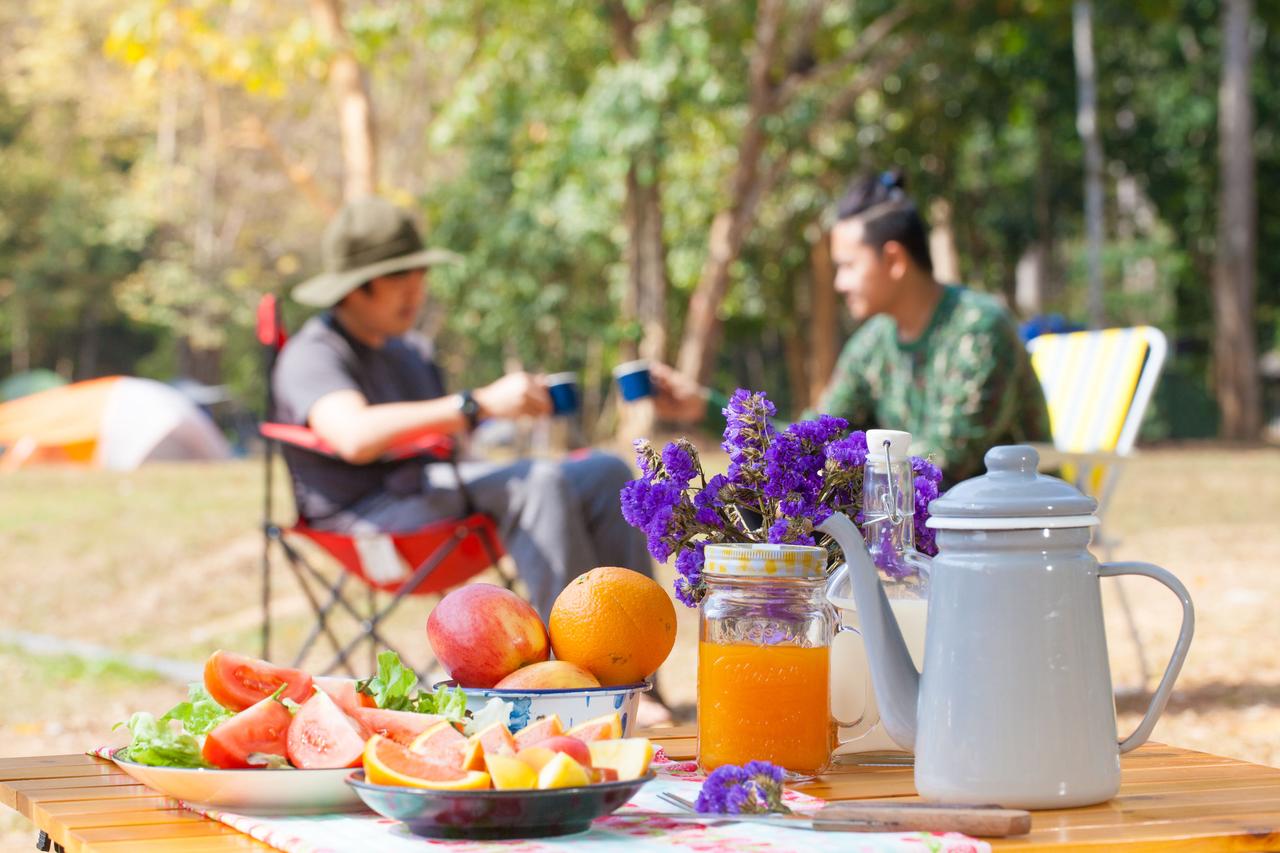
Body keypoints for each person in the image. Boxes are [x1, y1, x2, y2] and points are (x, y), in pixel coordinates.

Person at [272, 197, 650, 620]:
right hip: (371, 519)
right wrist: (478, 403)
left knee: (607, 473)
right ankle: (574, 664)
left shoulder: (407, 352)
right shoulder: (314, 354)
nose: (416, 291)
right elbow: (354, 436)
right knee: (537, 482)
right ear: (358, 286)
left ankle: (634, 654)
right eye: (400, 278)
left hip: (434, 490)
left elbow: (454, 444)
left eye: (421, 275)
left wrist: (506, 413)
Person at [652, 170, 1051, 485]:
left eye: (848, 266)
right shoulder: (873, 342)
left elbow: (946, 464)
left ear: (894, 259)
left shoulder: (979, 328)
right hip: (920, 525)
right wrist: (704, 408)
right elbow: (807, 440)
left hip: (1013, 532)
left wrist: (840, 475)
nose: (839, 283)